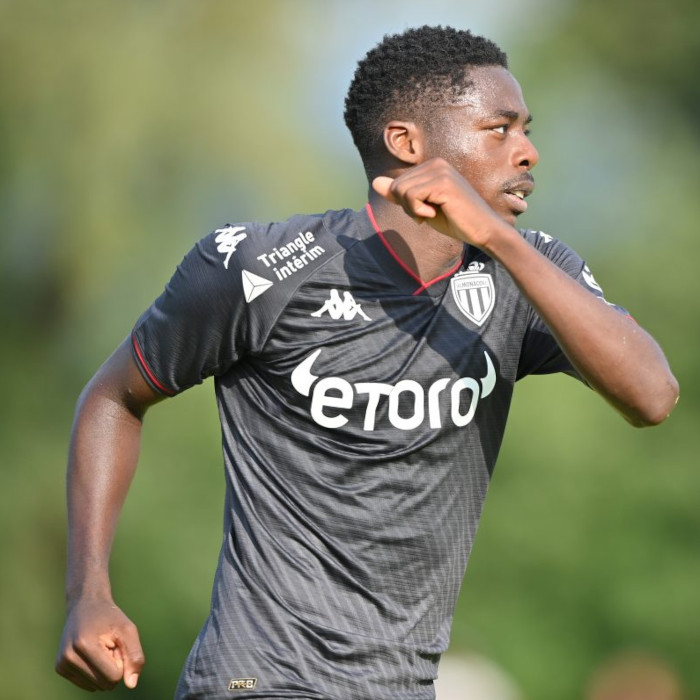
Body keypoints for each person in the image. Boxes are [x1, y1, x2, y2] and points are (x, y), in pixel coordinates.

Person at [55, 25, 679, 699]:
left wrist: (497, 239)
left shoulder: (526, 274)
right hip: (257, 677)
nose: (527, 151)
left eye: (526, 130)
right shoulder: (260, 269)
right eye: (499, 129)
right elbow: (115, 396)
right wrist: (88, 592)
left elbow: (652, 397)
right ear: (407, 144)